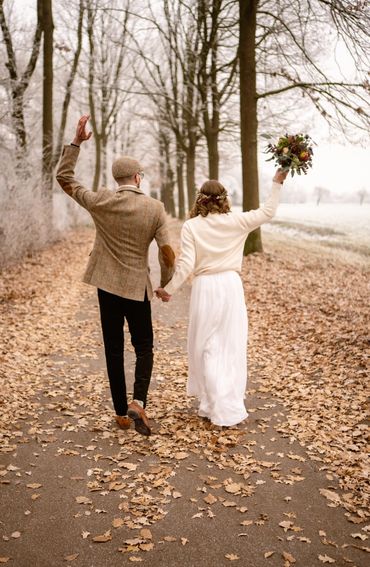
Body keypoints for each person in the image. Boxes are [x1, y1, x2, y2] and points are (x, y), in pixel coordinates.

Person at [56, 115, 175, 436]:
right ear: (137, 178)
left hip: (107, 286)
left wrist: (77, 142)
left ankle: (121, 413)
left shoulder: (101, 201)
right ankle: (139, 400)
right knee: (144, 346)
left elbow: (64, 178)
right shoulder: (155, 208)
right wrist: (165, 283)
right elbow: (167, 253)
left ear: (117, 178)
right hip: (138, 288)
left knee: (113, 347)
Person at [155, 170, 287, 427]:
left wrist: (169, 288)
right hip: (230, 286)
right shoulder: (238, 221)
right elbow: (268, 212)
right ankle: (223, 403)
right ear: (224, 199)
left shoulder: (192, 226)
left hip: (205, 287)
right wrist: (276, 182)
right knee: (230, 345)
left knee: (205, 345)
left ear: (200, 200)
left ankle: (212, 401)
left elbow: (186, 263)